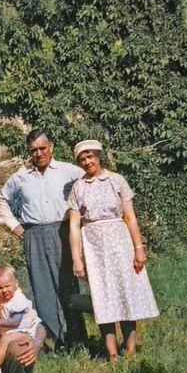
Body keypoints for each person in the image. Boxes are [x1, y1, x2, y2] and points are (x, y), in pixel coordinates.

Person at [0, 129, 88, 351]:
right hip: (33, 235)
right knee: (42, 290)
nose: (38, 154)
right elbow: (1, 200)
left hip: (62, 233)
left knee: (68, 287)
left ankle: (77, 341)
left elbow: (91, 184)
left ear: (51, 148)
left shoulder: (69, 171)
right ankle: (52, 342)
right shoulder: (20, 176)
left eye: (42, 148)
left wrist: (84, 221)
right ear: (29, 152)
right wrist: (16, 228)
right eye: (33, 150)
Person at [67, 141, 159, 359]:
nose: (87, 162)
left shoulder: (116, 180)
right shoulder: (78, 188)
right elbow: (74, 226)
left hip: (120, 244)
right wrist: (76, 259)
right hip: (94, 248)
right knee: (102, 299)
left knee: (125, 293)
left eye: (90, 156)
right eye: (82, 159)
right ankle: (113, 355)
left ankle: (130, 351)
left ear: (99, 156)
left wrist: (139, 249)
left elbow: (130, 217)